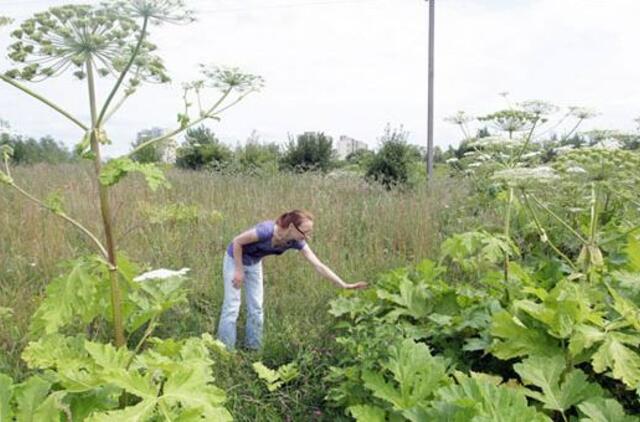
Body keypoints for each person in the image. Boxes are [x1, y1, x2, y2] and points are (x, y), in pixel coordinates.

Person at [216, 209, 367, 350]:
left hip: (254, 263)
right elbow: (237, 242)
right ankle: (225, 349)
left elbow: (318, 265)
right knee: (232, 305)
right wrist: (239, 270)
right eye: (305, 232)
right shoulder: (265, 231)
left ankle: (253, 348)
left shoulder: (296, 242)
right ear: (292, 227)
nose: (307, 237)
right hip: (234, 259)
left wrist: (344, 285)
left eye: (310, 233)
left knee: (256, 307)